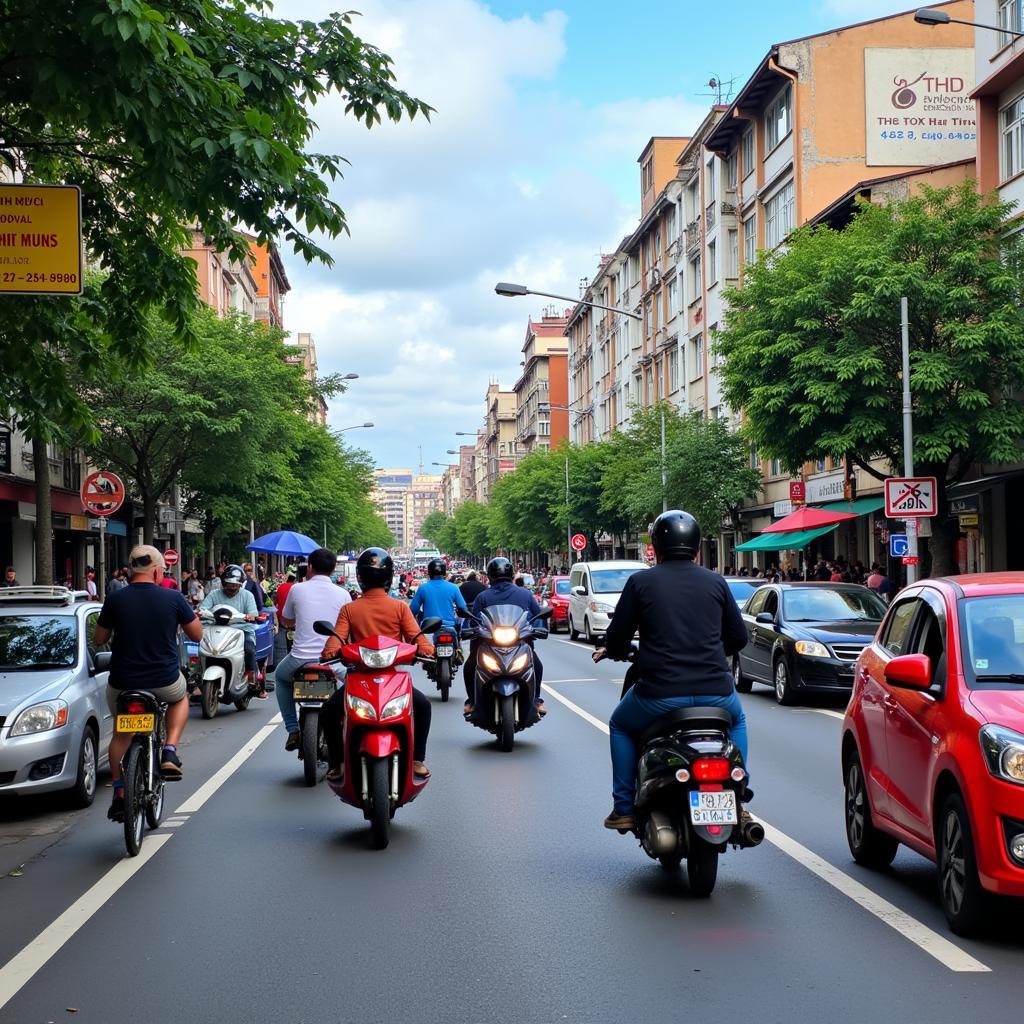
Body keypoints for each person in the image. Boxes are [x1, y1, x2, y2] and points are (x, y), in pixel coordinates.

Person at [594, 509, 750, 833]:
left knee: (620, 724)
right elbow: (739, 637)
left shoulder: (640, 582)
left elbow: (619, 636)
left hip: (659, 694)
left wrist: (616, 650)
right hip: (717, 693)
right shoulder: (716, 582)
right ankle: (739, 800)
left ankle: (623, 807)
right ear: (695, 547)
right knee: (738, 720)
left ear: (656, 547)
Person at [93, 545, 202, 819]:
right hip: (163, 680)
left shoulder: (115, 599)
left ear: (130, 571)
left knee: (121, 734)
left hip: (123, 682)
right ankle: (169, 750)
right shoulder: (173, 597)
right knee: (180, 697)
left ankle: (119, 789)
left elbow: (98, 639)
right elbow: (197, 636)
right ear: (156, 572)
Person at [319, 548, 434, 781]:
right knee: (423, 707)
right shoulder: (399, 607)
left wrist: (331, 652)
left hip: (359, 677)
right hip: (393, 679)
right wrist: (426, 650)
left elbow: (334, 642)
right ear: (389, 577)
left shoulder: (350, 609)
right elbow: (418, 639)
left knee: (329, 712)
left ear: (360, 577)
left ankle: (336, 763)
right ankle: (417, 760)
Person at [275, 547, 351, 752]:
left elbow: (286, 619)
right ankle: (346, 724)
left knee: (281, 678)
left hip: (299, 659)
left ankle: (292, 729)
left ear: (309, 567)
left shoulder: (297, 589)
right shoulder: (343, 594)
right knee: (354, 684)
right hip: (334, 661)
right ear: (334, 569)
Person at [463, 556, 545, 717]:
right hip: (491, 642)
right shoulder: (524, 594)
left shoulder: (483, 596)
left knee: (469, 667)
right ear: (512, 573)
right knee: (538, 665)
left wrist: (535, 629)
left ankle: (471, 701)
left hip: (517, 641)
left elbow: (537, 616)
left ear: (490, 575)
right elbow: (539, 615)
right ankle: (537, 700)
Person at [198, 564, 261, 695]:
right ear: (223, 583)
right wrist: (200, 613)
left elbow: (253, 614)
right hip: (216, 629)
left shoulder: (247, 595)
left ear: (241, 584)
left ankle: (251, 677)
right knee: (198, 649)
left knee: (249, 649)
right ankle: (196, 677)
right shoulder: (214, 594)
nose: (232, 587)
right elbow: (203, 609)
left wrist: (250, 617)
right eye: (229, 583)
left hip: (242, 630)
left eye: (236, 584)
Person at [409, 558, 467, 630]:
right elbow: (463, 607)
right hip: (449, 626)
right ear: (444, 572)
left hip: (429, 627)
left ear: (429, 572)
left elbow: (413, 610)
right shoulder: (454, 587)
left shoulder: (423, 588)